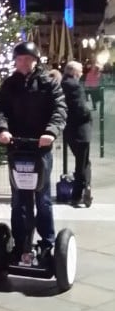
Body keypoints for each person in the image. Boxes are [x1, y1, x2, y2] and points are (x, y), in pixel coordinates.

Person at [0, 41, 66, 263]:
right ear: (15, 61)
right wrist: (2, 129)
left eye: (28, 59)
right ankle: (20, 243)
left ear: (35, 61)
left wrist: (50, 132)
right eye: (20, 59)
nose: (24, 62)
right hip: (17, 149)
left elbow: (60, 110)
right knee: (18, 200)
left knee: (42, 199)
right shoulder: (9, 85)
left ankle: (47, 243)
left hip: (40, 148)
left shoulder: (48, 83)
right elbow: (0, 110)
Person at [62, 60, 93, 207]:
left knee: (83, 162)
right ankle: (79, 193)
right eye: (80, 71)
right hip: (81, 130)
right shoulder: (75, 85)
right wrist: (89, 115)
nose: (81, 73)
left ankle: (84, 189)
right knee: (82, 163)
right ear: (74, 72)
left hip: (70, 130)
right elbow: (81, 108)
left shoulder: (62, 84)